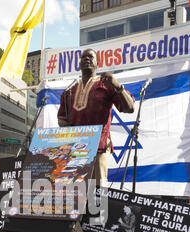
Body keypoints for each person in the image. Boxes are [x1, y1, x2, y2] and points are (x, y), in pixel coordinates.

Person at [57, 48, 135, 186]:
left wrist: (117, 85)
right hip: (76, 151)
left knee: (97, 196)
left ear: (97, 64)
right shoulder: (69, 91)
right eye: (83, 57)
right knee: (76, 194)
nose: (86, 59)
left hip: (99, 147)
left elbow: (129, 108)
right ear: (79, 64)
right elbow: (62, 121)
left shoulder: (106, 84)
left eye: (91, 57)